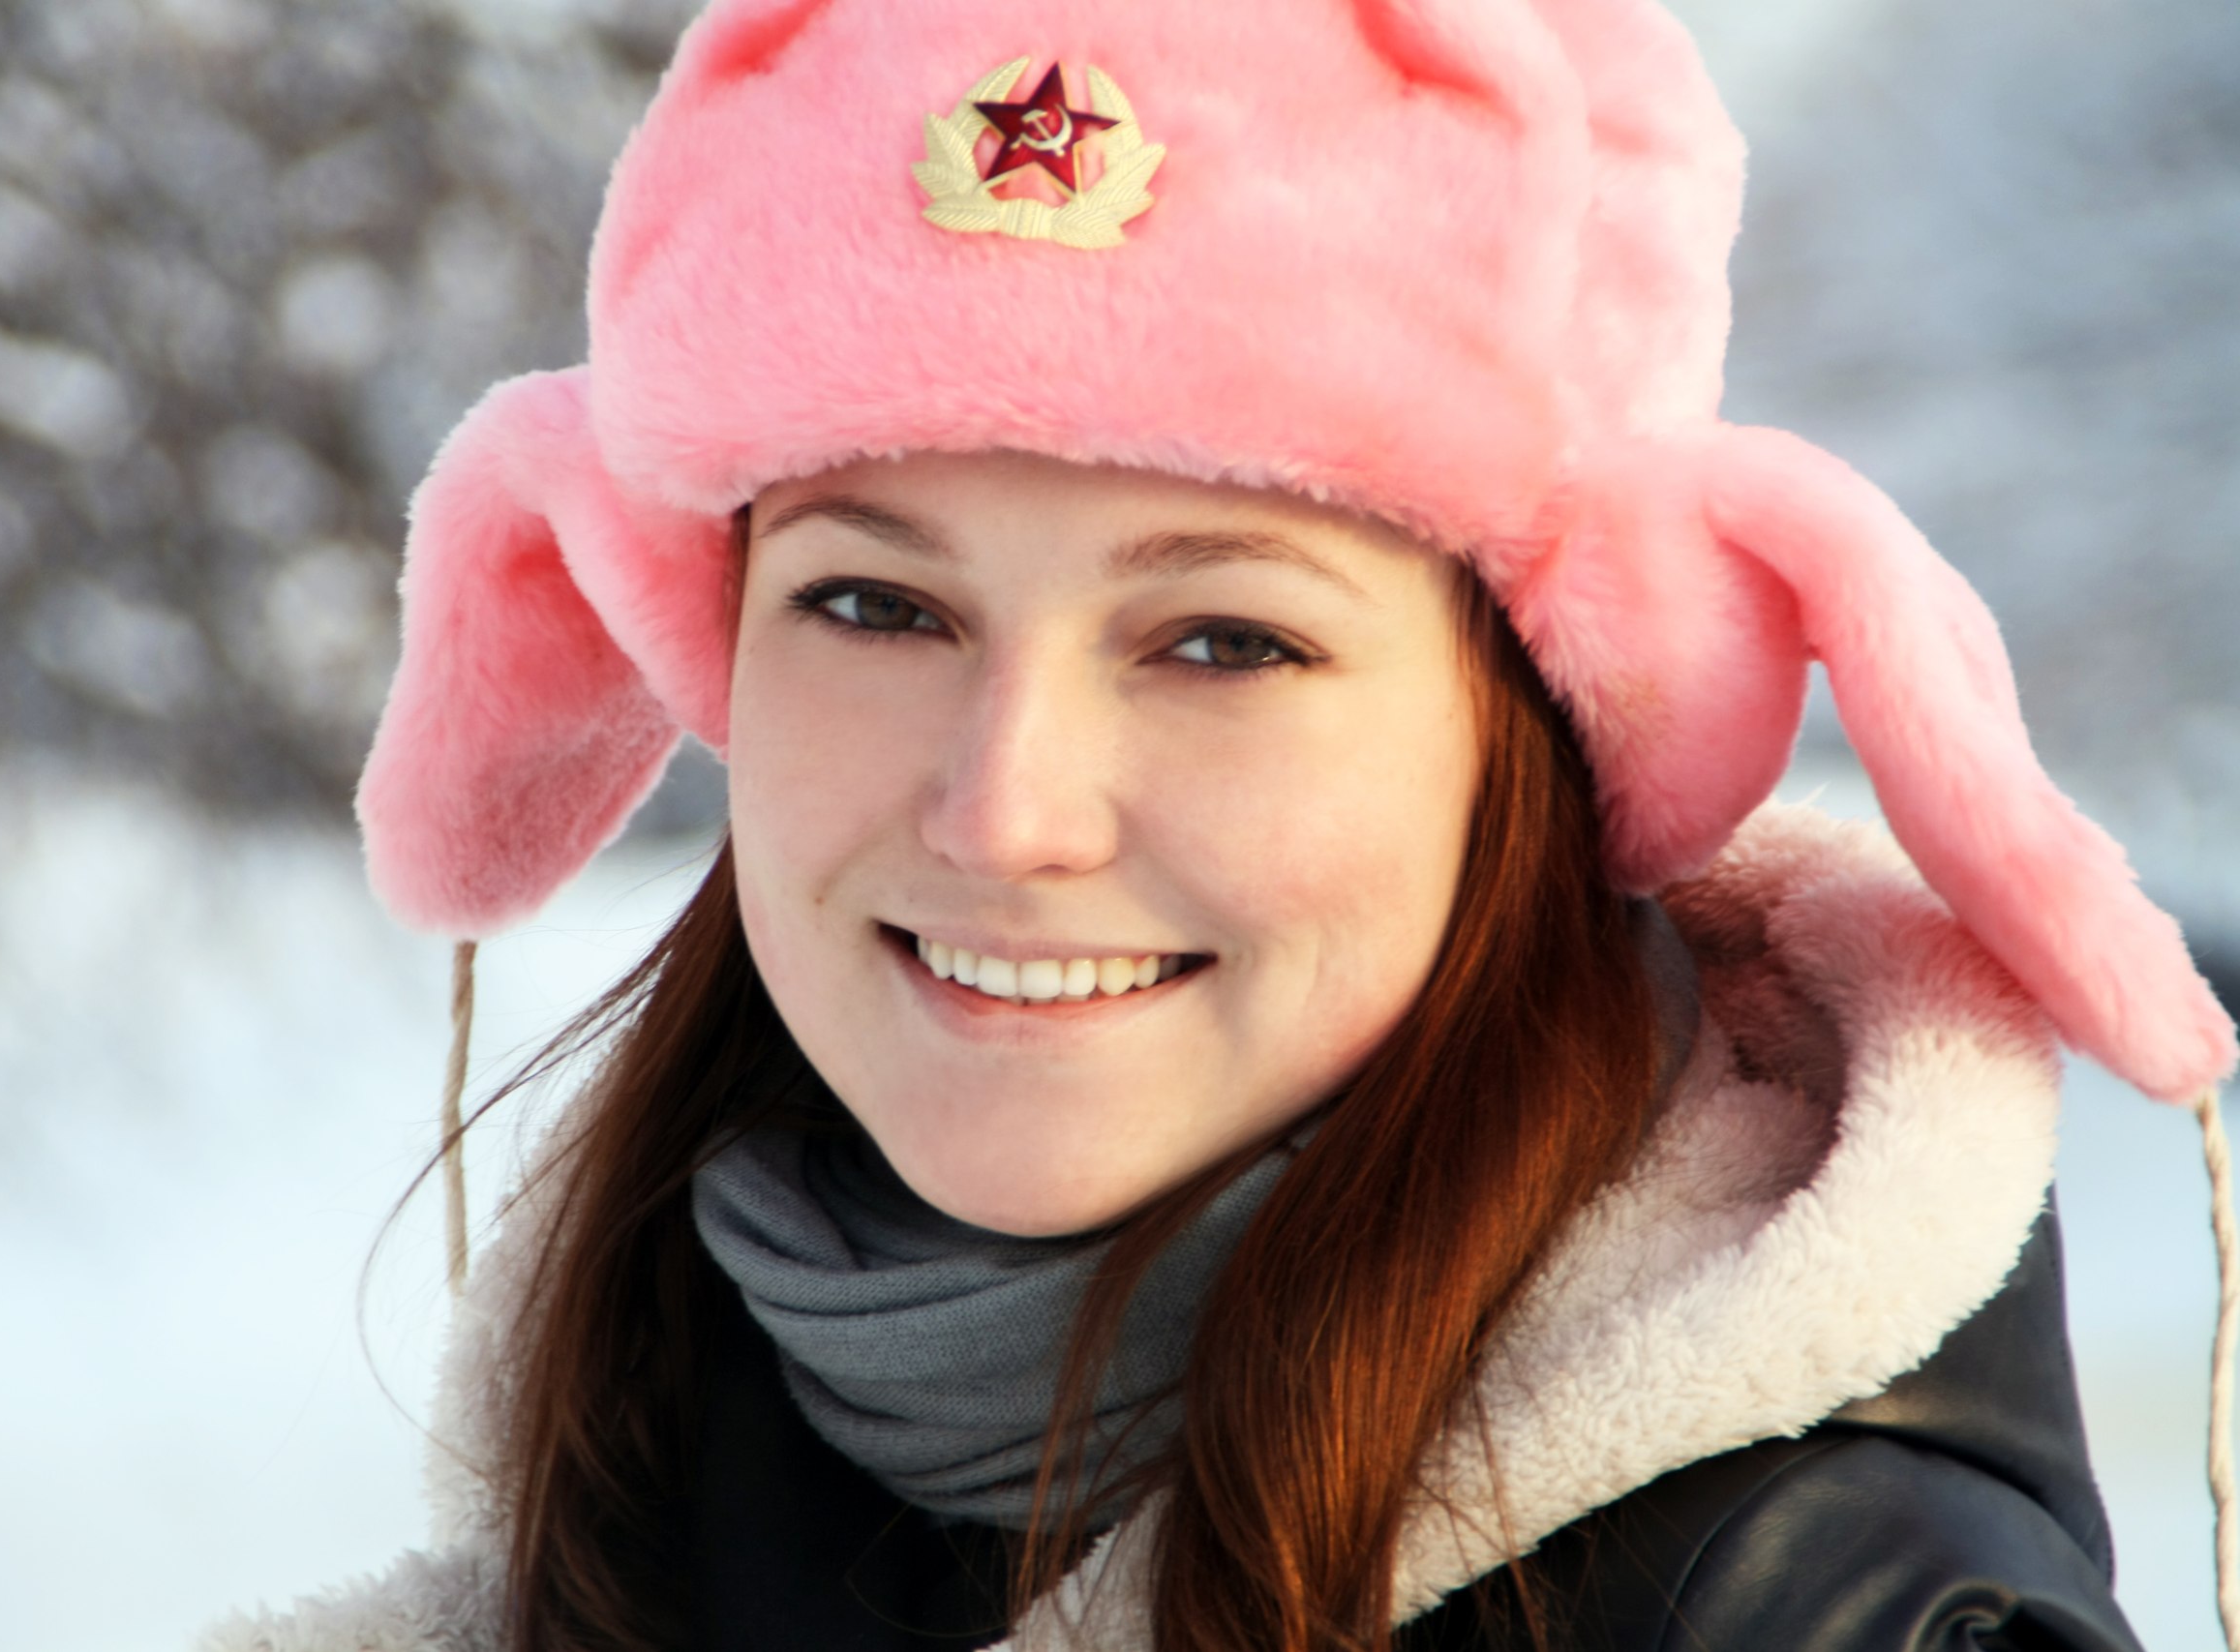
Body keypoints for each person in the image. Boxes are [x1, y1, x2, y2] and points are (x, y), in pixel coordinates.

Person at [202, 1, 2239, 1648]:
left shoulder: (1814, 1615)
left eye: (1223, 639)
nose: (1006, 810)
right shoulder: (647, 1472)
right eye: (875, 604)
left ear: (1534, 727)